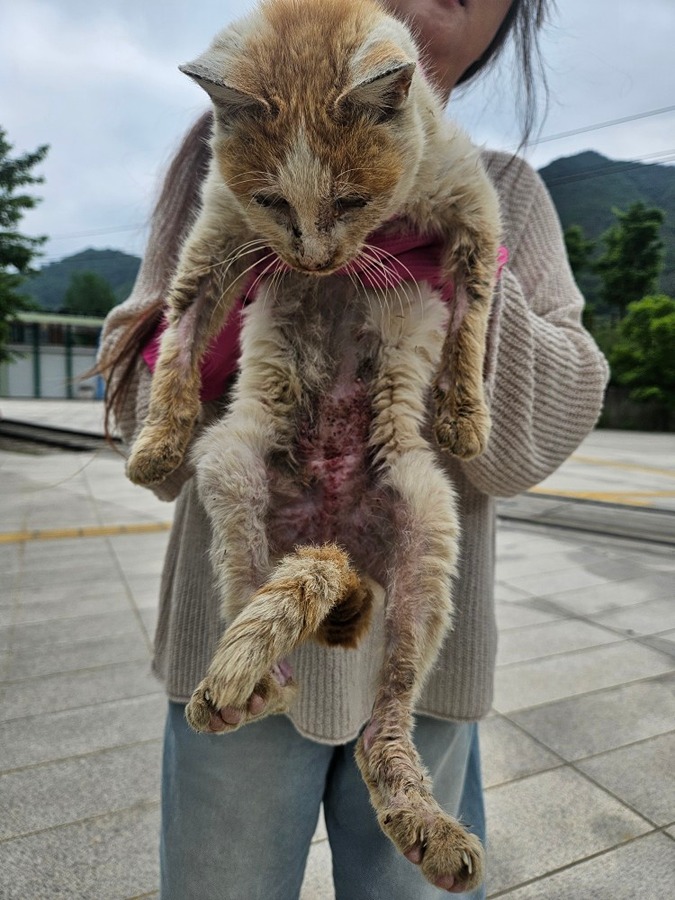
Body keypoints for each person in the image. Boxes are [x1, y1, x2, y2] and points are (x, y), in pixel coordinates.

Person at [97, 1, 609, 897]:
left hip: (419, 659)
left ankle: (390, 752)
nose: (318, 245)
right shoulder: (225, 161)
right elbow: (154, 439)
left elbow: (539, 435)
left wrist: (464, 289)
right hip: (237, 633)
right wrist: (206, 330)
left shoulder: (509, 192)